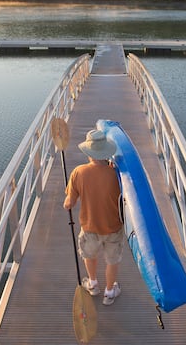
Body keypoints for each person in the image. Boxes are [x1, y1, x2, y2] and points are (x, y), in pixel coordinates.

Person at [63, 129, 123, 305]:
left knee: (89, 255)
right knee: (112, 260)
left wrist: (67, 202)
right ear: (107, 152)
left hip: (90, 227)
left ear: (89, 153)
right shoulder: (117, 174)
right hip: (114, 227)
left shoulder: (78, 172)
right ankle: (110, 291)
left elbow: (70, 202)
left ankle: (93, 284)